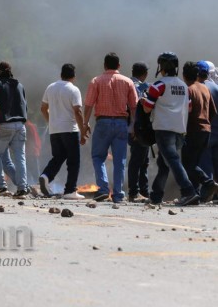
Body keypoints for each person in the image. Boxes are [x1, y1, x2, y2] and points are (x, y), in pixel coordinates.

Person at [142, 52, 198, 206]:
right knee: (163, 164)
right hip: (180, 130)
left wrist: (143, 101)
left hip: (164, 130)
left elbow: (147, 109)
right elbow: (190, 107)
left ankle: (189, 191)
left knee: (172, 161)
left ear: (162, 67)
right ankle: (156, 196)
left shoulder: (158, 85)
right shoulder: (184, 86)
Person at [83, 52, 138, 203]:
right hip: (121, 124)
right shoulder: (128, 82)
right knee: (120, 160)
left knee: (98, 157)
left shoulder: (96, 81)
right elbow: (134, 107)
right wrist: (133, 126)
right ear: (119, 66)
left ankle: (103, 189)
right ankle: (118, 194)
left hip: (103, 123)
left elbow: (88, 105)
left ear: (104, 65)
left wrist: (84, 124)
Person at [39, 63, 86, 200]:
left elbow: (43, 108)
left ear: (61, 74)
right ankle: (70, 190)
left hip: (54, 130)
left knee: (58, 157)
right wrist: (83, 131)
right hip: (69, 129)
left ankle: (46, 176)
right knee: (74, 160)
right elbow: (77, 111)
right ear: (74, 76)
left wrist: (50, 122)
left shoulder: (51, 87)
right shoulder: (73, 89)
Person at [0, 61, 30, 197]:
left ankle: (1, 186)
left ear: (0, 73)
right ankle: (22, 187)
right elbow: (25, 106)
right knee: (20, 157)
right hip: (21, 125)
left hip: (5, 125)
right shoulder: (20, 85)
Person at [181, 61, 218, 202]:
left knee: (191, 163)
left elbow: (186, 111)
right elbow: (213, 112)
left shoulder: (190, 89)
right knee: (200, 163)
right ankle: (198, 194)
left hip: (195, 130)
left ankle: (205, 188)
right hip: (208, 130)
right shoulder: (208, 88)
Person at [127, 62, 151, 202]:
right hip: (138, 128)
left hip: (132, 127)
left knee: (142, 160)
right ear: (145, 73)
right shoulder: (137, 86)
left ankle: (143, 191)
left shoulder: (129, 83)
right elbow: (135, 108)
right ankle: (135, 192)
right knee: (138, 160)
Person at [198, 61, 218, 181]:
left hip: (204, 133)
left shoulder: (198, 88)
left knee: (205, 164)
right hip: (216, 132)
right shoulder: (216, 88)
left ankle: (207, 193)